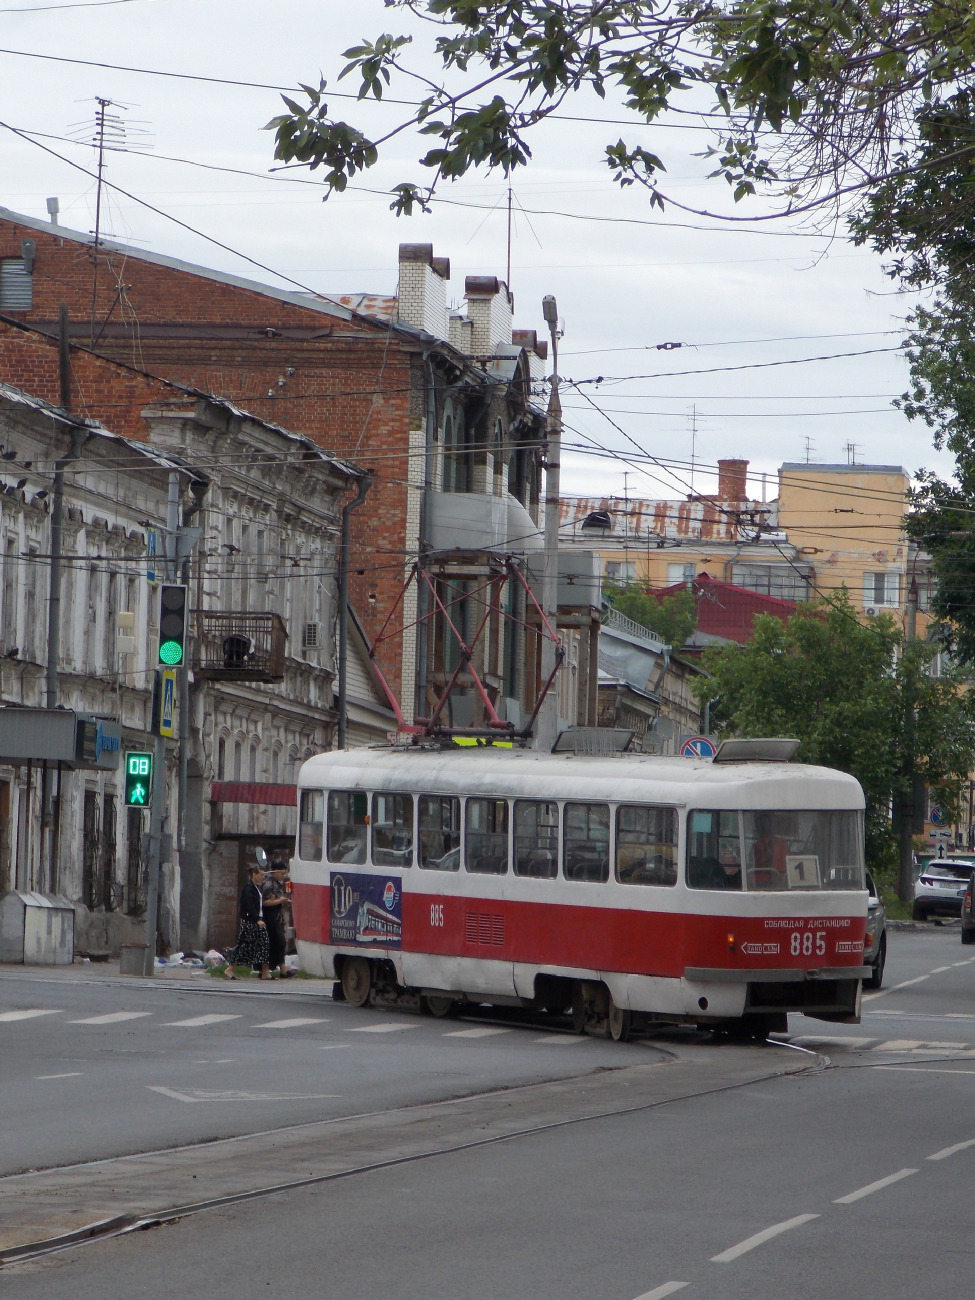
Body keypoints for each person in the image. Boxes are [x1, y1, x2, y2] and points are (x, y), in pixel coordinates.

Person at [225, 864, 270, 979]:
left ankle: (265, 972)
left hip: (255, 919)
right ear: (254, 875)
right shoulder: (248, 888)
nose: (262, 877)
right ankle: (230, 969)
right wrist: (256, 919)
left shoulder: (255, 888)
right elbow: (249, 905)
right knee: (244, 945)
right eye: (260, 875)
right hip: (251, 921)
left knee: (263, 944)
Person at [261, 857, 293, 978]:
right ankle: (272, 969)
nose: (283, 876)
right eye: (282, 873)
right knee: (277, 941)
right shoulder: (268, 884)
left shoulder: (278, 884)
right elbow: (264, 902)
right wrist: (280, 900)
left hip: (277, 916)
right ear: (276, 871)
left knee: (279, 942)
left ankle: (282, 969)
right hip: (269, 916)